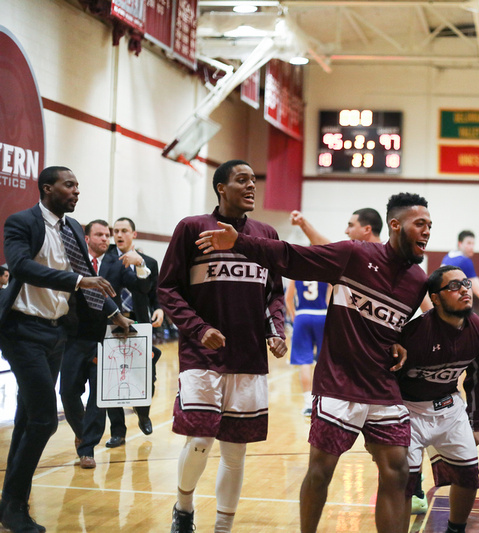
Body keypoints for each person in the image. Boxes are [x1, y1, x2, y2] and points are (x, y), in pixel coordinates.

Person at [196, 192, 431, 533]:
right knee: (320, 471)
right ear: (395, 225)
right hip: (339, 383)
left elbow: (400, 326)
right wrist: (240, 242)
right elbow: (292, 256)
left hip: (382, 387)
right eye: (420, 224)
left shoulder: (417, 281)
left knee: (398, 472)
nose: (426, 231)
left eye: (429, 225)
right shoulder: (354, 254)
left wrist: (401, 342)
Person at [158, 160, 287, 533]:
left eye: (253, 180)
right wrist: (198, 329)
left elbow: (273, 293)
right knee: (200, 439)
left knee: (235, 450)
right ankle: (183, 509)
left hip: (249, 357)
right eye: (241, 180)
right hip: (202, 355)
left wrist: (275, 330)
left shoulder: (266, 233)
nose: (251, 186)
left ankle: (222, 528)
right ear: (220, 187)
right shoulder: (192, 228)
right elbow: (167, 289)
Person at [0, 166, 131, 533]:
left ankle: (11, 503)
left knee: (28, 419)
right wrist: (77, 279)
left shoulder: (73, 228)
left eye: (77, 185)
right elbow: (22, 267)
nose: (76, 191)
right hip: (22, 330)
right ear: (47, 188)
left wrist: (115, 313)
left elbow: (90, 281)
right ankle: (13, 507)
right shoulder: (21, 222)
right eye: (69, 185)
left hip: (57, 333)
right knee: (43, 420)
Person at [397, 265, 479, 533]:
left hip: (449, 407)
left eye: (465, 284)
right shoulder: (414, 334)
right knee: (403, 482)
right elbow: (388, 380)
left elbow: (476, 379)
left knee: (469, 476)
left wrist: (475, 423)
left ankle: (455, 529)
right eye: (453, 286)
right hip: (409, 410)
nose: (463, 289)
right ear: (435, 298)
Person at [60, 219, 149, 469]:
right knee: (67, 393)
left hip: (106, 338)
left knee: (99, 398)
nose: (105, 239)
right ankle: (81, 432)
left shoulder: (115, 262)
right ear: (86, 239)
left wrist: (140, 265)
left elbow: (142, 288)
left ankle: (87, 448)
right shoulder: (72, 261)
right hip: (74, 337)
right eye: (99, 235)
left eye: (107, 235)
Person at [105, 216, 164, 446]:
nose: (119, 235)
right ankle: (117, 431)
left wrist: (159, 309)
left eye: (124, 231)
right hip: (112, 325)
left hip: (140, 324)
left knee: (146, 376)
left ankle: (143, 412)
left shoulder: (149, 261)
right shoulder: (108, 260)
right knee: (111, 380)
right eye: (116, 231)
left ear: (134, 234)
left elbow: (154, 294)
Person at [285, 279, 331, 417]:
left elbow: (288, 298)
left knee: (304, 362)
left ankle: (308, 404)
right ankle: (325, 403)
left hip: (302, 315)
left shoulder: (296, 273)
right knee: (325, 361)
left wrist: (294, 314)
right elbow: (331, 299)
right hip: (322, 315)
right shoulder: (326, 272)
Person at [290, 207, 383, 245]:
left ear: (367, 229)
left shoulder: (390, 254)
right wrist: (303, 224)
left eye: (351, 226)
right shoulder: (353, 253)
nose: (346, 231)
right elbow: (327, 248)